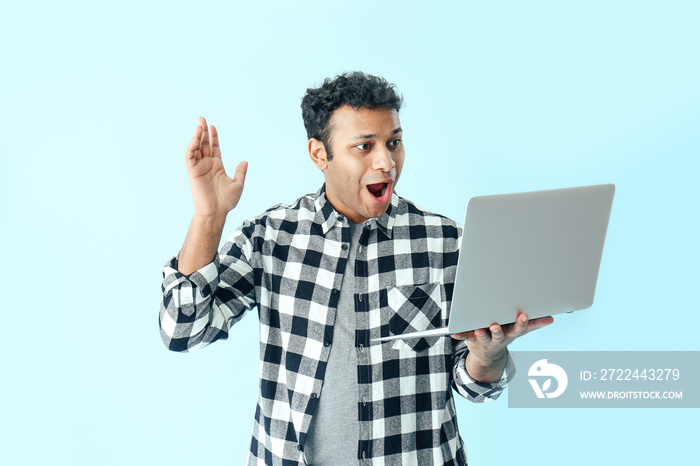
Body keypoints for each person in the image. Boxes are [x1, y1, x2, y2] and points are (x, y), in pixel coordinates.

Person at [159, 71, 553, 465]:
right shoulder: (272, 237)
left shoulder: (447, 242)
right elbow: (183, 330)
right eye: (364, 146)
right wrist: (209, 217)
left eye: (393, 142)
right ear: (319, 154)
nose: (386, 162)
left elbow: (475, 387)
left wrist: (487, 357)